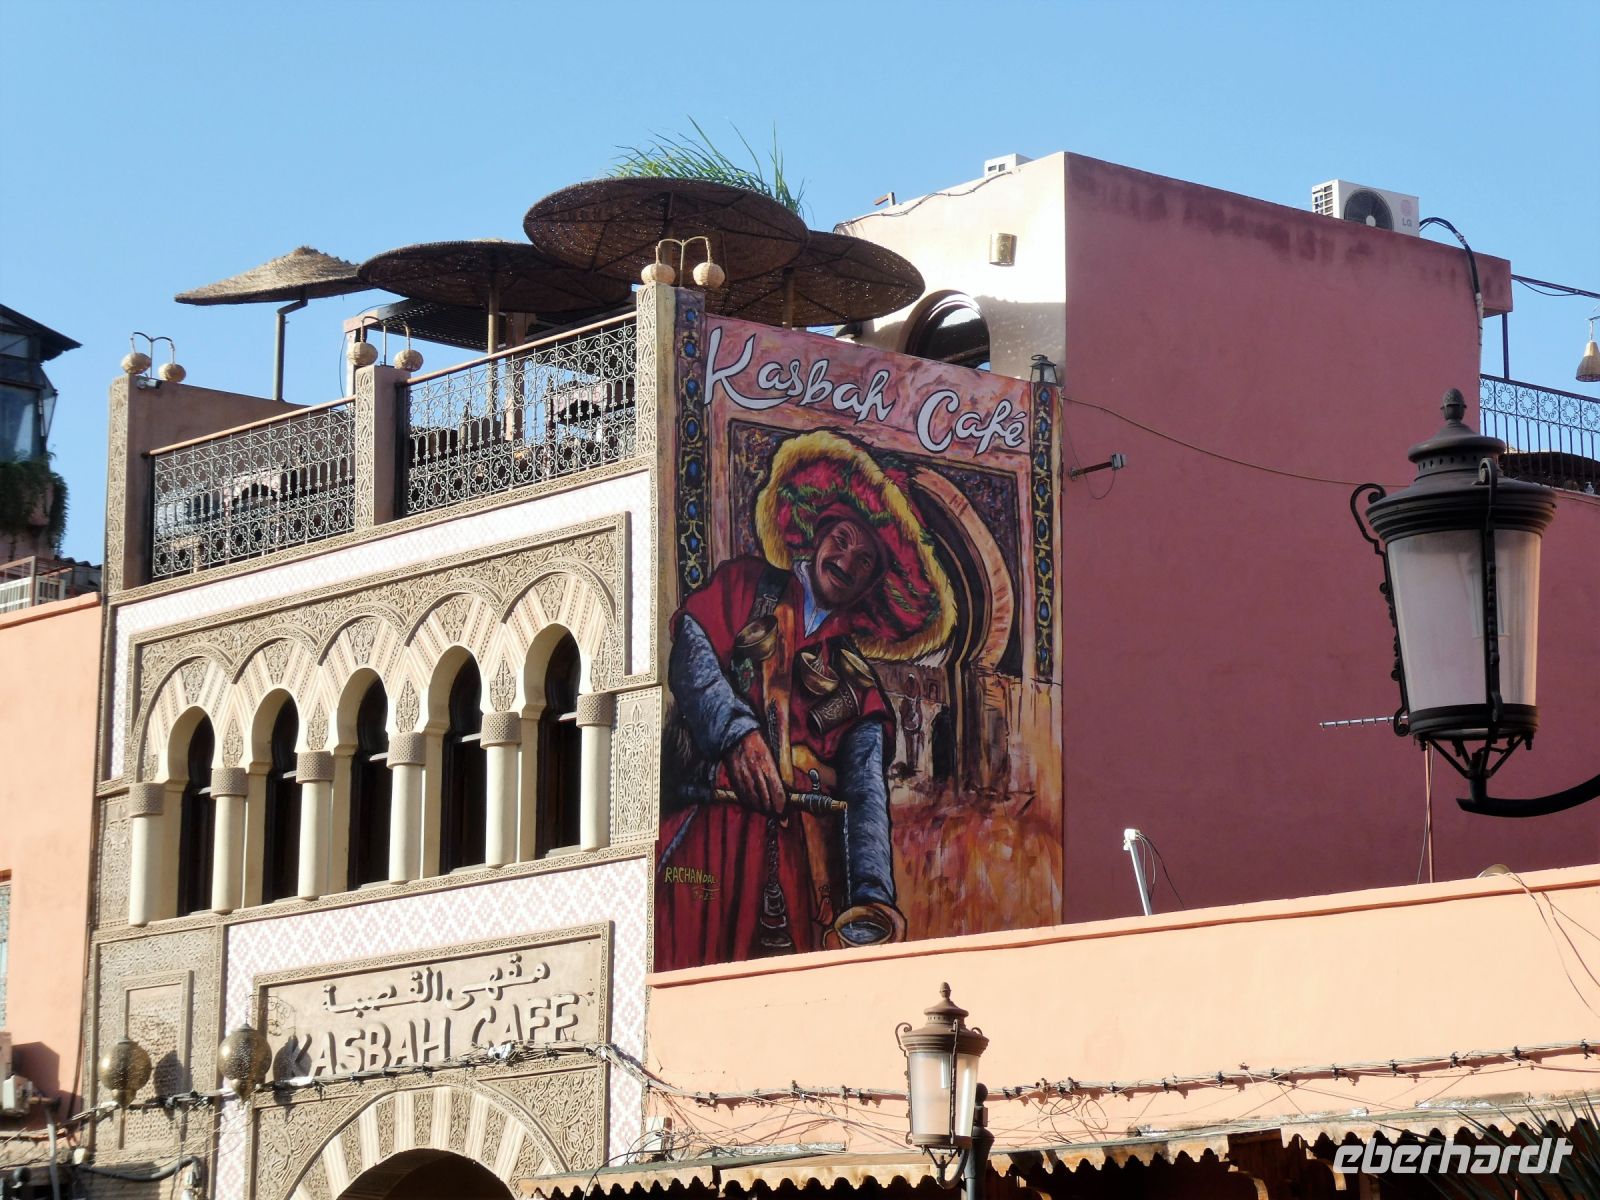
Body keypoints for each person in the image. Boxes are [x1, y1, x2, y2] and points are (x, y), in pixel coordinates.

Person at [657, 430, 955, 969]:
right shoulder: (746, 585)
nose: (847, 560)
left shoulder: (858, 687)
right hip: (703, 839)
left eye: (865, 561)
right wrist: (736, 734)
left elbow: (865, 796)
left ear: (872, 588)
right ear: (818, 536)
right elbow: (692, 653)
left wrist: (871, 897)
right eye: (842, 540)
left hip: (787, 866)